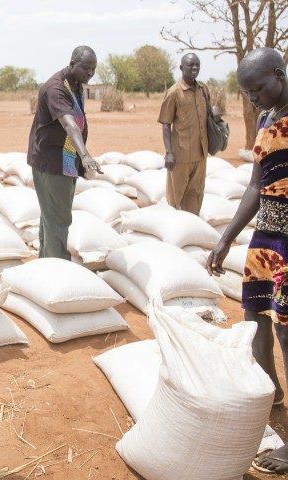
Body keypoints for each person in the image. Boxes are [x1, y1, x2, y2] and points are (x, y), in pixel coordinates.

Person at [206, 48, 288, 474]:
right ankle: (270, 390)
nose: (253, 97)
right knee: (254, 314)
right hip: (267, 235)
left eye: (258, 88)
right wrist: (225, 239)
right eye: (246, 92)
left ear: (279, 73)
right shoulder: (264, 120)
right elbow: (257, 184)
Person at [27, 45, 101, 259]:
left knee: (52, 216)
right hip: (51, 162)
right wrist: (85, 155)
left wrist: (81, 156)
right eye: (86, 68)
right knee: (58, 219)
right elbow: (69, 124)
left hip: (66, 160)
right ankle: (57, 266)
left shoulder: (75, 84)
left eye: (93, 69)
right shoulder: (56, 88)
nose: (90, 73)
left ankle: (47, 262)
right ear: (71, 64)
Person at [159, 53, 210, 214]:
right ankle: (174, 228)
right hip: (180, 155)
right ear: (181, 68)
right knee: (175, 197)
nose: (194, 68)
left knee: (195, 195)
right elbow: (166, 124)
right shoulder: (174, 93)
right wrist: (168, 153)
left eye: (197, 65)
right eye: (191, 65)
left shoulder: (203, 90)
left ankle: (192, 228)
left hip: (200, 153)